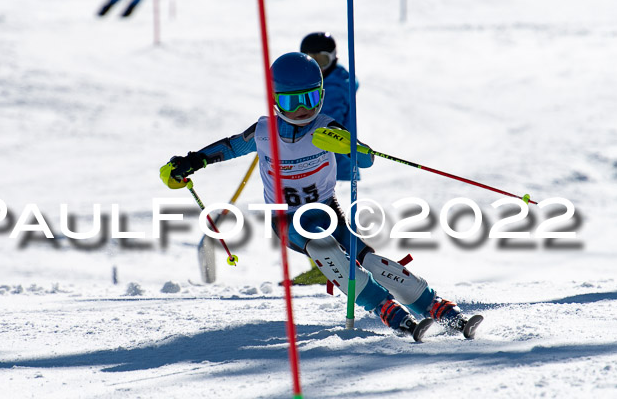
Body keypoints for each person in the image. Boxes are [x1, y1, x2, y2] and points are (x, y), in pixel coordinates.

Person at [159, 52, 482, 341]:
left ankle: (439, 308)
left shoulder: (326, 129)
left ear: (321, 95)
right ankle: (386, 309)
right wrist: (191, 162)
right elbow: (228, 147)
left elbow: (366, 160)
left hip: (328, 210)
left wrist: (351, 147)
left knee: (368, 258)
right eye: (290, 103)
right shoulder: (263, 132)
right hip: (287, 219)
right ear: (274, 100)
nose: (301, 110)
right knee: (328, 251)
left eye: (310, 99)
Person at [300, 32, 357, 182]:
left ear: (333, 58)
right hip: (323, 167)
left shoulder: (333, 88)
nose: (318, 67)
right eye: (311, 60)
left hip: (332, 168)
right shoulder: (317, 83)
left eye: (322, 60)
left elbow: (325, 126)